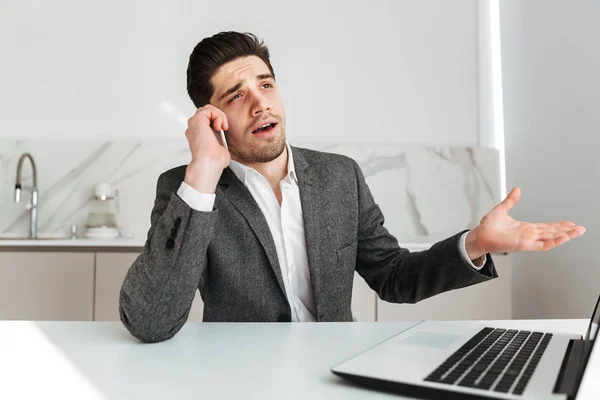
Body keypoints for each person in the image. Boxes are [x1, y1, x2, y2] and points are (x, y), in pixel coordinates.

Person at [119, 31, 585, 343]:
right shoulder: (188, 191)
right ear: (211, 118)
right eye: (236, 96)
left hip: (335, 369)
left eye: (266, 84)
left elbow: (394, 277)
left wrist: (476, 243)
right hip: (240, 379)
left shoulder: (339, 177)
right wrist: (203, 170)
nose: (260, 103)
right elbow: (150, 321)